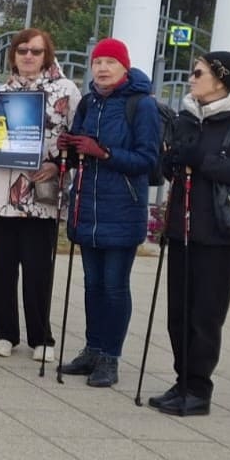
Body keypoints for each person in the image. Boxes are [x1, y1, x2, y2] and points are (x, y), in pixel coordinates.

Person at [153, 51, 230, 415]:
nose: (191, 78)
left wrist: (204, 161)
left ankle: (199, 388)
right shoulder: (190, 116)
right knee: (178, 312)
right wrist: (170, 159)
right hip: (182, 228)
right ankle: (181, 380)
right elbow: (173, 165)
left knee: (205, 314)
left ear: (220, 80)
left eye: (198, 73)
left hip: (219, 234)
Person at [56, 37, 163, 388]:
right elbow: (80, 156)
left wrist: (103, 153)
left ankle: (110, 358)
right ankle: (92, 348)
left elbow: (148, 161)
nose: (102, 68)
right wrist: (70, 149)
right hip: (87, 207)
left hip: (123, 206)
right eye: (97, 62)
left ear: (124, 67)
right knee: (92, 285)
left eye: (110, 62)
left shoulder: (140, 105)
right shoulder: (88, 103)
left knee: (115, 287)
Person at [0, 29, 80, 362]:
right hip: (2, 193)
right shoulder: (1, 92)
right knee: (4, 267)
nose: (28, 56)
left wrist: (56, 166)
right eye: (22, 50)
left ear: (47, 55)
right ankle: (6, 333)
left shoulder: (65, 90)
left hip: (40, 193)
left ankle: (42, 337)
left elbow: (77, 139)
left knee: (38, 269)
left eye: (35, 51)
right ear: (13, 55)